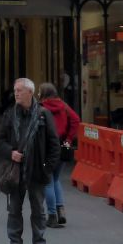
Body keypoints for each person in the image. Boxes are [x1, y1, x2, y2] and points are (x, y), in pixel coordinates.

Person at [0, 78, 59, 244]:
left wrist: (47, 168)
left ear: (30, 93)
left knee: (38, 210)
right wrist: (11, 152)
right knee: (14, 209)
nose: (16, 93)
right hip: (16, 171)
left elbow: (54, 144)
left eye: (20, 90)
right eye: (15, 90)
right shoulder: (10, 114)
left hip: (37, 170)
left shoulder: (43, 115)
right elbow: (0, 141)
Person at [39, 82, 80, 228]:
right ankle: (60, 210)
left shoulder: (41, 108)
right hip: (63, 146)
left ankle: (51, 216)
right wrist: (69, 139)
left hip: (48, 147)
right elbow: (76, 119)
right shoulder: (63, 106)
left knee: (48, 181)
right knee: (56, 179)